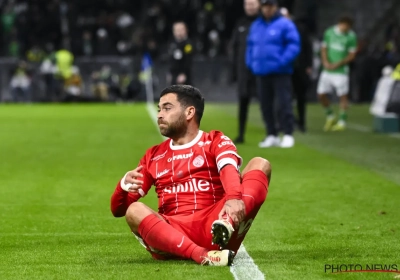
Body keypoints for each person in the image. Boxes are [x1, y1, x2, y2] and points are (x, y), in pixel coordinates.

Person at [110, 85, 270, 266]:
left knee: (260, 164)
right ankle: (201, 255)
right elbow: (119, 210)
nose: (159, 115)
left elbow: (228, 168)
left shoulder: (214, 140)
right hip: (172, 234)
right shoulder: (153, 155)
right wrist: (122, 187)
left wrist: (233, 198)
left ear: (189, 112)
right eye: (159, 109)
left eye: (167, 108)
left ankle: (225, 224)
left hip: (215, 224)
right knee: (134, 210)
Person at [246, 0, 300, 148]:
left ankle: (288, 133)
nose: (267, 9)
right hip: (261, 71)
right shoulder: (256, 25)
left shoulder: (285, 24)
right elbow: (250, 46)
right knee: (265, 105)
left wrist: (282, 61)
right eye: (264, 6)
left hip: (280, 72)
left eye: (269, 6)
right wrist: (251, 63)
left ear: (275, 7)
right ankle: (272, 134)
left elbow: (294, 45)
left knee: (283, 103)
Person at [317, 15, 357, 131]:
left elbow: (352, 55)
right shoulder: (329, 32)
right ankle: (330, 116)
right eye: (345, 26)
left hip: (341, 71)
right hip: (327, 70)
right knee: (321, 94)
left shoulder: (351, 36)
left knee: (342, 96)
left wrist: (338, 64)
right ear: (340, 24)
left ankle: (342, 122)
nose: (346, 29)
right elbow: (324, 48)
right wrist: (325, 61)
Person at [230, 0, 260, 144]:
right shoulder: (240, 23)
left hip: (260, 70)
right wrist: (234, 71)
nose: (250, 7)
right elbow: (234, 47)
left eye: (253, 4)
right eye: (248, 4)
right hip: (243, 70)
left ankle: (273, 133)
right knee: (243, 101)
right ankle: (241, 134)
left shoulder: (263, 23)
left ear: (258, 5)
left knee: (268, 102)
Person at [281, 8, 313, 133]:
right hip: (284, 68)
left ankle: (301, 122)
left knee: (301, 96)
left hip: (299, 67)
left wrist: (309, 65)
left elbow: (307, 47)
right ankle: (286, 122)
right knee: (285, 97)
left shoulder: (300, 28)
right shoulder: (277, 29)